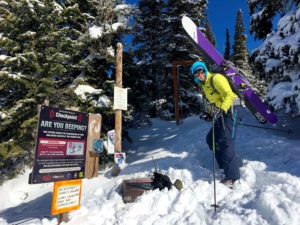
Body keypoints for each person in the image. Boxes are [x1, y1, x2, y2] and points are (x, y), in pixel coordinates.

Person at [191, 61, 242, 188]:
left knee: (226, 140)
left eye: (201, 71)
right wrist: (209, 113)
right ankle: (225, 168)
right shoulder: (205, 85)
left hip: (233, 109)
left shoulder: (216, 78)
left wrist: (220, 109)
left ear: (205, 70)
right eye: (197, 73)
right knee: (211, 139)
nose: (200, 74)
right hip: (224, 112)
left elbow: (229, 95)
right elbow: (214, 103)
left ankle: (233, 179)